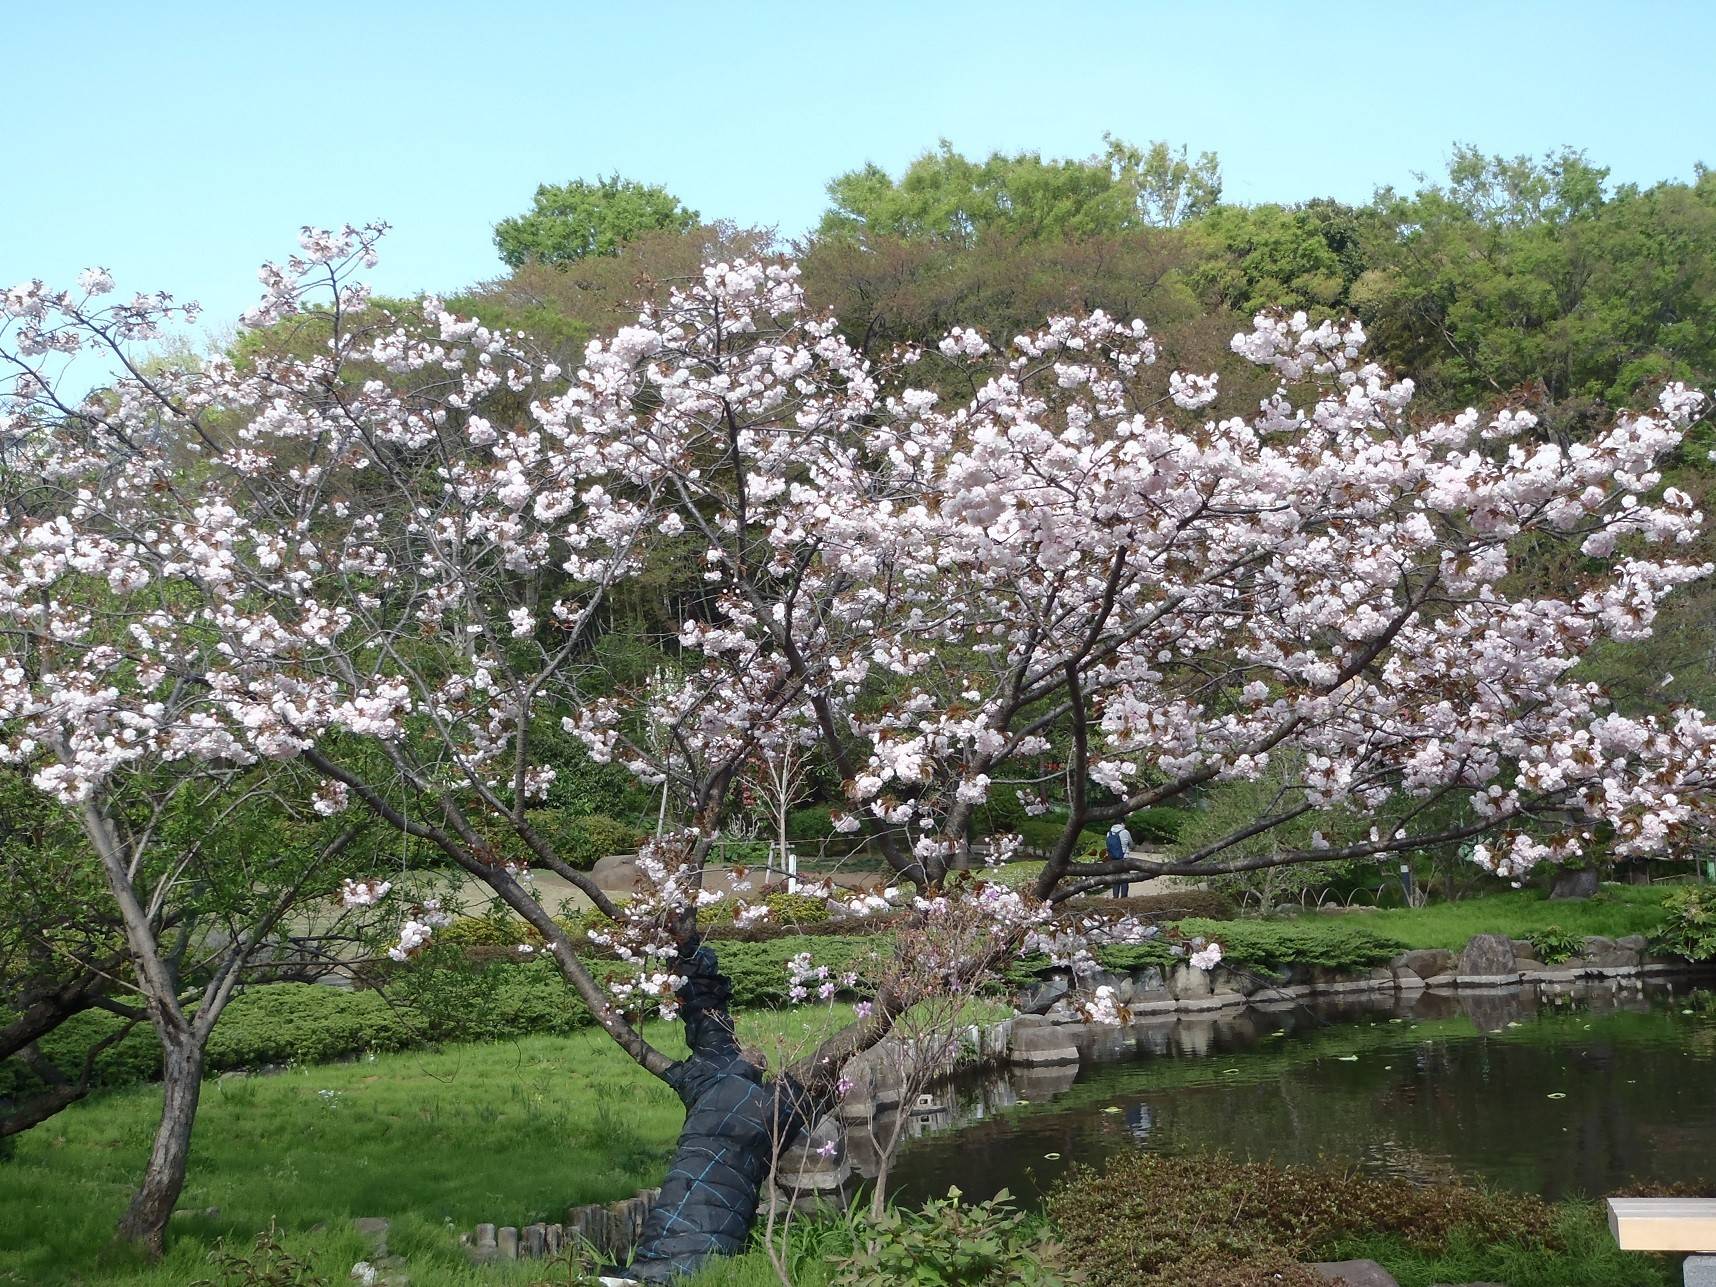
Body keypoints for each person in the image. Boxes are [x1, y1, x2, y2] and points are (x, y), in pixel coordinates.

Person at [1106, 822, 1134, 898]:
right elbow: (1131, 844)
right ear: (1122, 823)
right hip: (1123, 859)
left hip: (1113, 859)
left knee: (1115, 878)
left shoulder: (1109, 833)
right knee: (1125, 878)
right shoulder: (1125, 832)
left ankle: (1115, 897)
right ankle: (1123, 898)